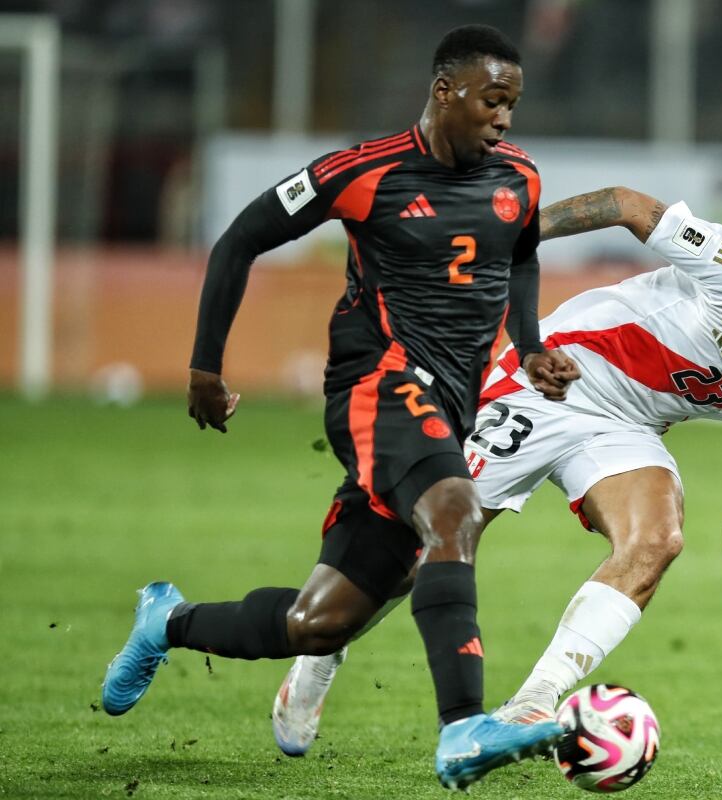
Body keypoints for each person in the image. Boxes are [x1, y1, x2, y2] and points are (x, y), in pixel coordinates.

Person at [99, 25, 580, 791]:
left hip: (447, 407)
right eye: (493, 101)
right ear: (445, 90)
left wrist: (528, 347)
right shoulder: (365, 171)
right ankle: (463, 729)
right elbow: (239, 239)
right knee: (456, 511)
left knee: (318, 622)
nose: (505, 120)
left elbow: (519, 255)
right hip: (377, 383)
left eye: (513, 105)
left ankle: (167, 621)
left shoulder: (519, 176)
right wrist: (203, 367)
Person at [271, 185, 722, 754]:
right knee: (422, 546)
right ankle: (323, 651)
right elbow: (627, 206)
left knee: (658, 538)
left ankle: (532, 704)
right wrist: (518, 234)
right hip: (549, 381)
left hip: (622, 430)